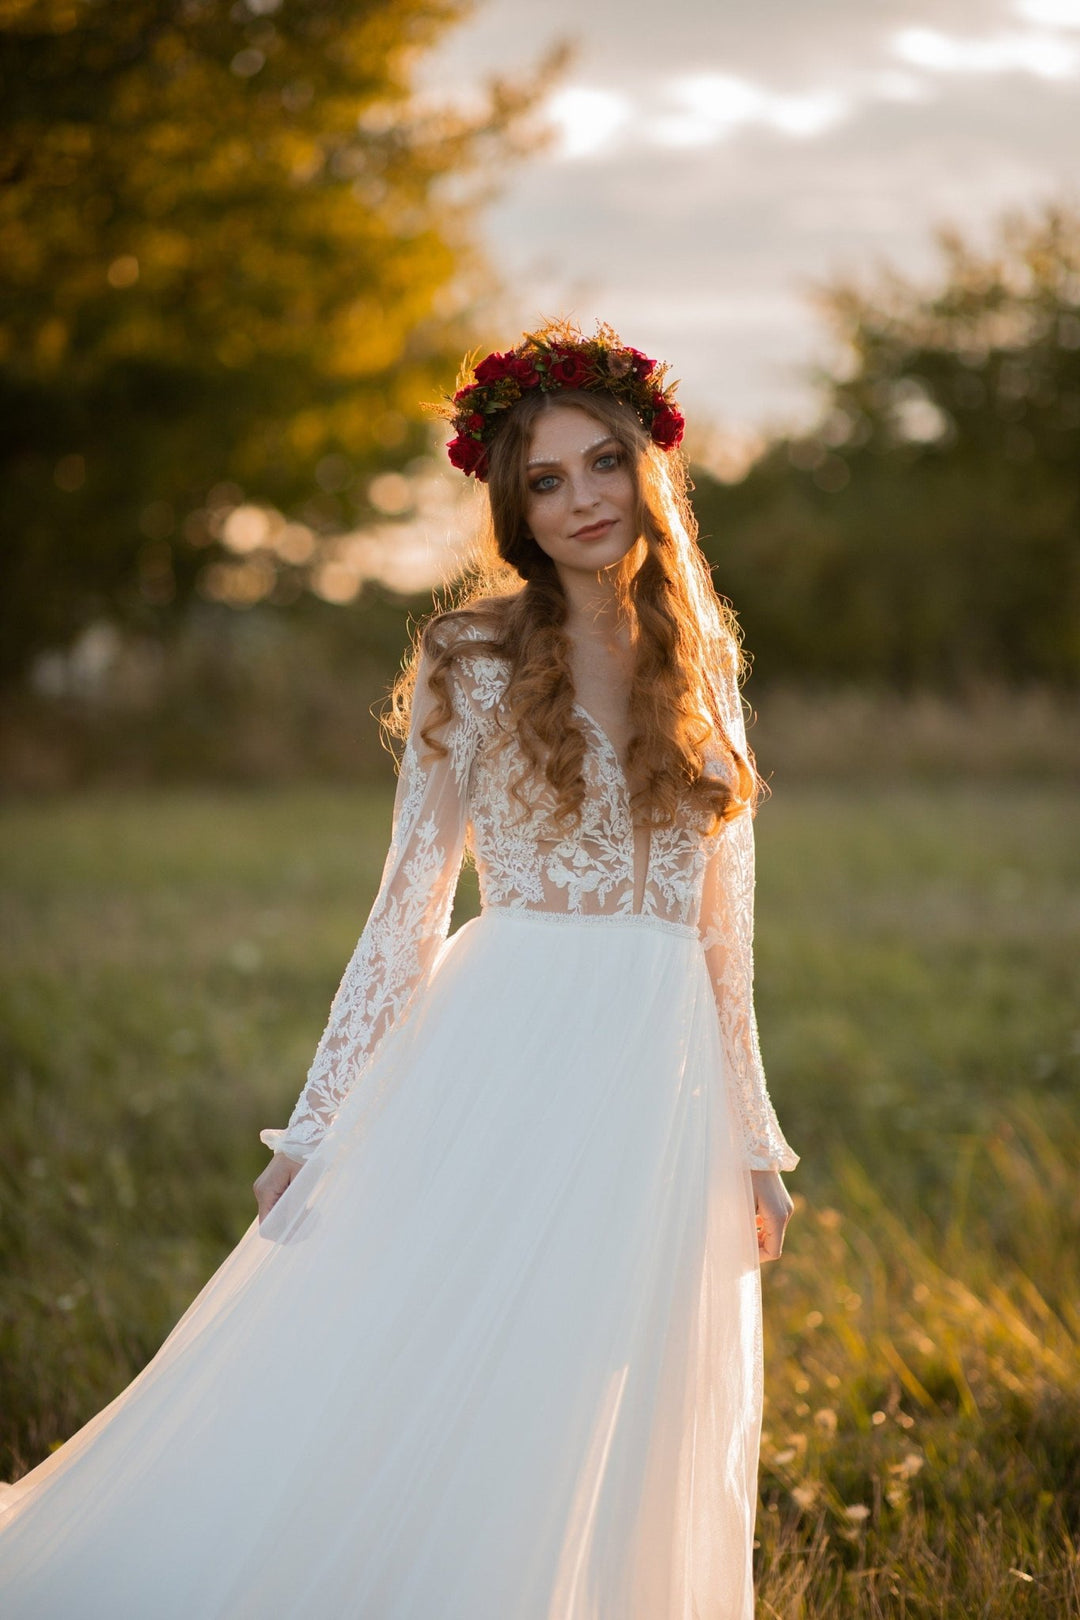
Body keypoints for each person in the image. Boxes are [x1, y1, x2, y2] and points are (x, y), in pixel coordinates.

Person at [0, 317, 797, 1619]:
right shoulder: (469, 660)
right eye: (545, 481)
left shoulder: (703, 660)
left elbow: (726, 935)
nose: (583, 500)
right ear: (512, 508)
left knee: (605, 1372)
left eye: (603, 463)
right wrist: (318, 1123)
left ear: (650, 467)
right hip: (506, 1048)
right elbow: (404, 909)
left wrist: (753, 1138)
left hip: (656, 1090)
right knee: (445, 1351)